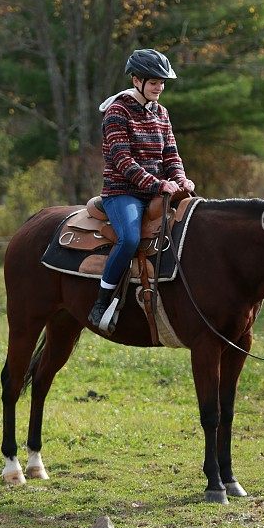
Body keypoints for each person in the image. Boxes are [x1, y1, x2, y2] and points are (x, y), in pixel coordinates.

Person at [88, 48, 195, 329]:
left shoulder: (162, 112)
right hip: (123, 192)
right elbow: (123, 160)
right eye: (154, 81)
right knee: (130, 239)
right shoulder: (117, 111)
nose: (159, 87)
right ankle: (100, 304)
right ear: (137, 80)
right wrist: (158, 183)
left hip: (160, 191)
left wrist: (181, 178)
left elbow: (171, 154)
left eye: (162, 82)